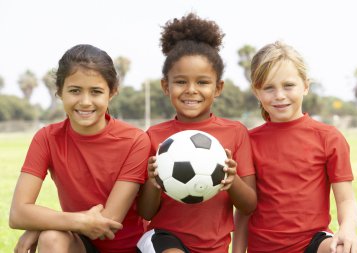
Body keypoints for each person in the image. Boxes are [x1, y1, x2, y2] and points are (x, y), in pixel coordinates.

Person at [9, 44, 151, 253]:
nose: (85, 102)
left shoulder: (135, 140)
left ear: (111, 92)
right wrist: (49, 226)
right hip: (83, 243)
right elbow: (18, 213)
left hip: (129, 248)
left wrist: (41, 224)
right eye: (75, 91)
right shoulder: (47, 138)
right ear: (59, 92)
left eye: (96, 92)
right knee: (52, 238)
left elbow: (108, 222)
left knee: (49, 232)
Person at [136, 13, 257, 253]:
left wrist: (232, 181)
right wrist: (152, 181)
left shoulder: (235, 133)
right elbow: (146, 212)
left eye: (202, 82)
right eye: (181, 82)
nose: (191, 90)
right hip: (164, 238)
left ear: (218, 87)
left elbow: (249, 205)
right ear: (165, 86)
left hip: (215, 245)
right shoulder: (154, 136)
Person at [232, 41, 357, 253]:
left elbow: (346, 199)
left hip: (313, 243)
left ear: (305, 85)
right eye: (268, 88)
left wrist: (347, 230)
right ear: (256, 92)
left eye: (288, 85)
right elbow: (244, 210)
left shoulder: (328, 138)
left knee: (345, 250)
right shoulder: (247, 141)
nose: (279, 95)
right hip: (263, 247)